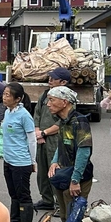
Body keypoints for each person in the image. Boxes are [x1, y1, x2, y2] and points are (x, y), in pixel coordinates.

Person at [46, 85, 94, 222]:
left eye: (52, 100)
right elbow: (61, 145)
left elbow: (84, 151)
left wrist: (75, 180)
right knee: (65, 219)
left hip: (77, 178)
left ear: (64, 102)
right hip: (64, 174)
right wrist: (54, 161)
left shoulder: (80, 121)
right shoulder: (63, 121)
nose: (48, 104)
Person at [32, 67, 72, 213]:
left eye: (54, 78)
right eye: (50, 77)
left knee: (55, 170)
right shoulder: (45, 95)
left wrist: (45, 132)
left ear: (63, 82)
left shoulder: (66, 98)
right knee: (42, 170)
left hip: (55, 139)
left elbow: (64, 121)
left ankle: (59, 204)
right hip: (42, 138)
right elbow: (37, 113)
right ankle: (47, 200)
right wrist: (37, 131)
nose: (50, 80)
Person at [0, 82, 36, 222]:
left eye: (8, 95)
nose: (4, 97)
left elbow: (32, 140)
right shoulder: (8, 112)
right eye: (4, 94)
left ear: (18, 99)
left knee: (23, 196)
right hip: (8, 160)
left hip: (21, 163)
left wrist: (33, 161)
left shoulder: (24, 115)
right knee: (13, 194)